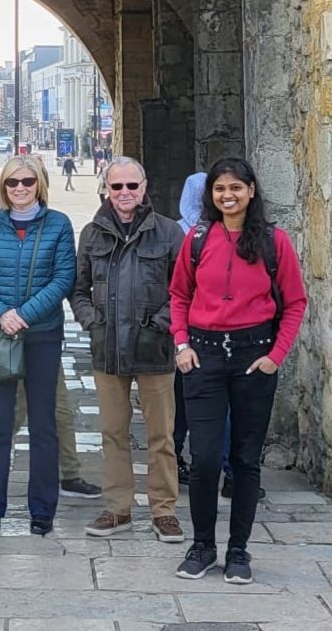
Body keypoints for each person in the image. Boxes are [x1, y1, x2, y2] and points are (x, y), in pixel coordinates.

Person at [170, 158, 307, 585]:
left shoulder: (273, 242)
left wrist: (276, 356)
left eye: (235, 188)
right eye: (219, 189)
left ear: (250, 190)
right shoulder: (197, 239)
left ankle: (238, 550)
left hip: (254, 358)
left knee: (245, 460)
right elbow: (179, 294)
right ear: (210, 195)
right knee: (205, 457)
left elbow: (295, 302)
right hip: (203, 357)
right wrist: (181, 344)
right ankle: (202, 545)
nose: (227, 196)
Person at [72, 156, 185, 544]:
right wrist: (92, 320)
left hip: (154, 349)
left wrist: (162, 323)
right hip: (108, 349)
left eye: (131, 186)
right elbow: (79, 288)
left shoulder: (168, 232)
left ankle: (163, 510)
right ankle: (118, 507)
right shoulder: (92, 234)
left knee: (161, 435)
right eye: (117, 186)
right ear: (107, 188)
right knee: (113, 433)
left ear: (144, 186)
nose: (124, 193)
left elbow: (184, 289)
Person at [0, 154, 76, 536]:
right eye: (12, 182)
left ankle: (42, 510)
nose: (19, 188)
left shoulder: (58, 224)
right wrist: (1, 313)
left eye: (27, 181)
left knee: (43, 424)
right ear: (3, 186)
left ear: (39, 184)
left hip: (42, 334)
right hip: (0, 335)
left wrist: (24, 314)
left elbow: (63, 277)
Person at [0, 365, 101, 502]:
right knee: (15, 414)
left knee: (60, 413)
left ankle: (70, 476)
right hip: (17, 350)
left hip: (46, 350)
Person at [174, 172, 206, 487]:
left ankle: (176, 458)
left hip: (187, 331)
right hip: (197, 329)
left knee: (181, 402)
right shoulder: (181, 234)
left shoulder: (175, 231)